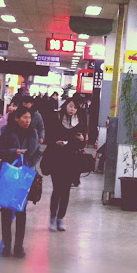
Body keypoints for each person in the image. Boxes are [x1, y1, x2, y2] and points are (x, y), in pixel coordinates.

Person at [0, 107, 41, 258]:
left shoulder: (33, 132)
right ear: (16, 118)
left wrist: (28, 162)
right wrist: (13, 152)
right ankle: (7, 246)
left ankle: (19, 246)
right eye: (25, 117)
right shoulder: (6, 130)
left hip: (24, 176)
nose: (28, 120)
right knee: (6, 212)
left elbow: (38, 152)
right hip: (9, 174)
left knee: (21, 211)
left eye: (29, 118)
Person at [45, 98, 86, 232]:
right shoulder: (56, 118)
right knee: (57, 189)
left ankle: (60, 218)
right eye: (70, 106)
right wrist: (55, 142)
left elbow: (82, 143)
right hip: (56, 157)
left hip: (71, 160)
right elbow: (48, 137)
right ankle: (52, 217)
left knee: (66, 190)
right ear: (66, 105)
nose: (72, 109)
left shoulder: (79, 122)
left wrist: (81, 140)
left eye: (75, 107)